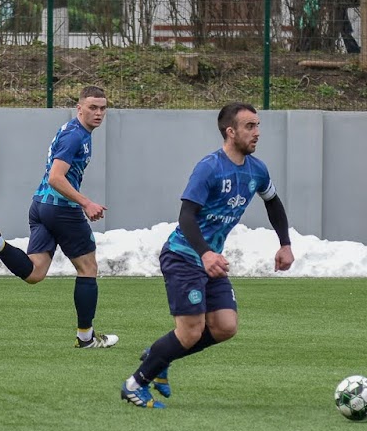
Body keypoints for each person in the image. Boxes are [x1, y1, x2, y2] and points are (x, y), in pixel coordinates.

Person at [120, 102, 294, 409]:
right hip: (185, 256)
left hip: (209, 260)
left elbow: (273, 202)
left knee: (226, 326)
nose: (257, 133)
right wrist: (205, 254)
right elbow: (186, 216)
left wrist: (285, 243)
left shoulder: (257, 170)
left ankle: (160, 356)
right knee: (190, 331)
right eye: (249, 127)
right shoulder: (210, 167)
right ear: (231, 132)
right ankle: (135, 384)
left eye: (258, 125)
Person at [0, 86, 119, 349]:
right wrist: (85, 202)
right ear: (79, 107)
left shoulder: (74, 130)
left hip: (41, 206)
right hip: (62, 209)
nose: (99, 113)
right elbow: (56, 177)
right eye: (93, 107)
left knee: (35, 273)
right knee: (88, 269)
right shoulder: (75, 137)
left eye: (103, 108)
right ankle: (86, 338)